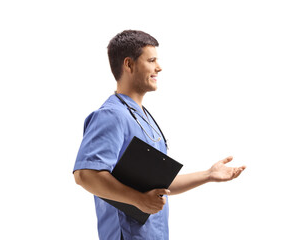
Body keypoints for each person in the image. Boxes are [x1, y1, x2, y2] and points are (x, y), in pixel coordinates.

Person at [73, 30, 246, 240]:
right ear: (129, 65)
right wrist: (138, 199)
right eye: (152, 60)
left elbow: (158, 186)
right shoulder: (111, 115)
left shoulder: (143, 117)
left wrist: (208, 175)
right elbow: (85, 175)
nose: (159, 67)